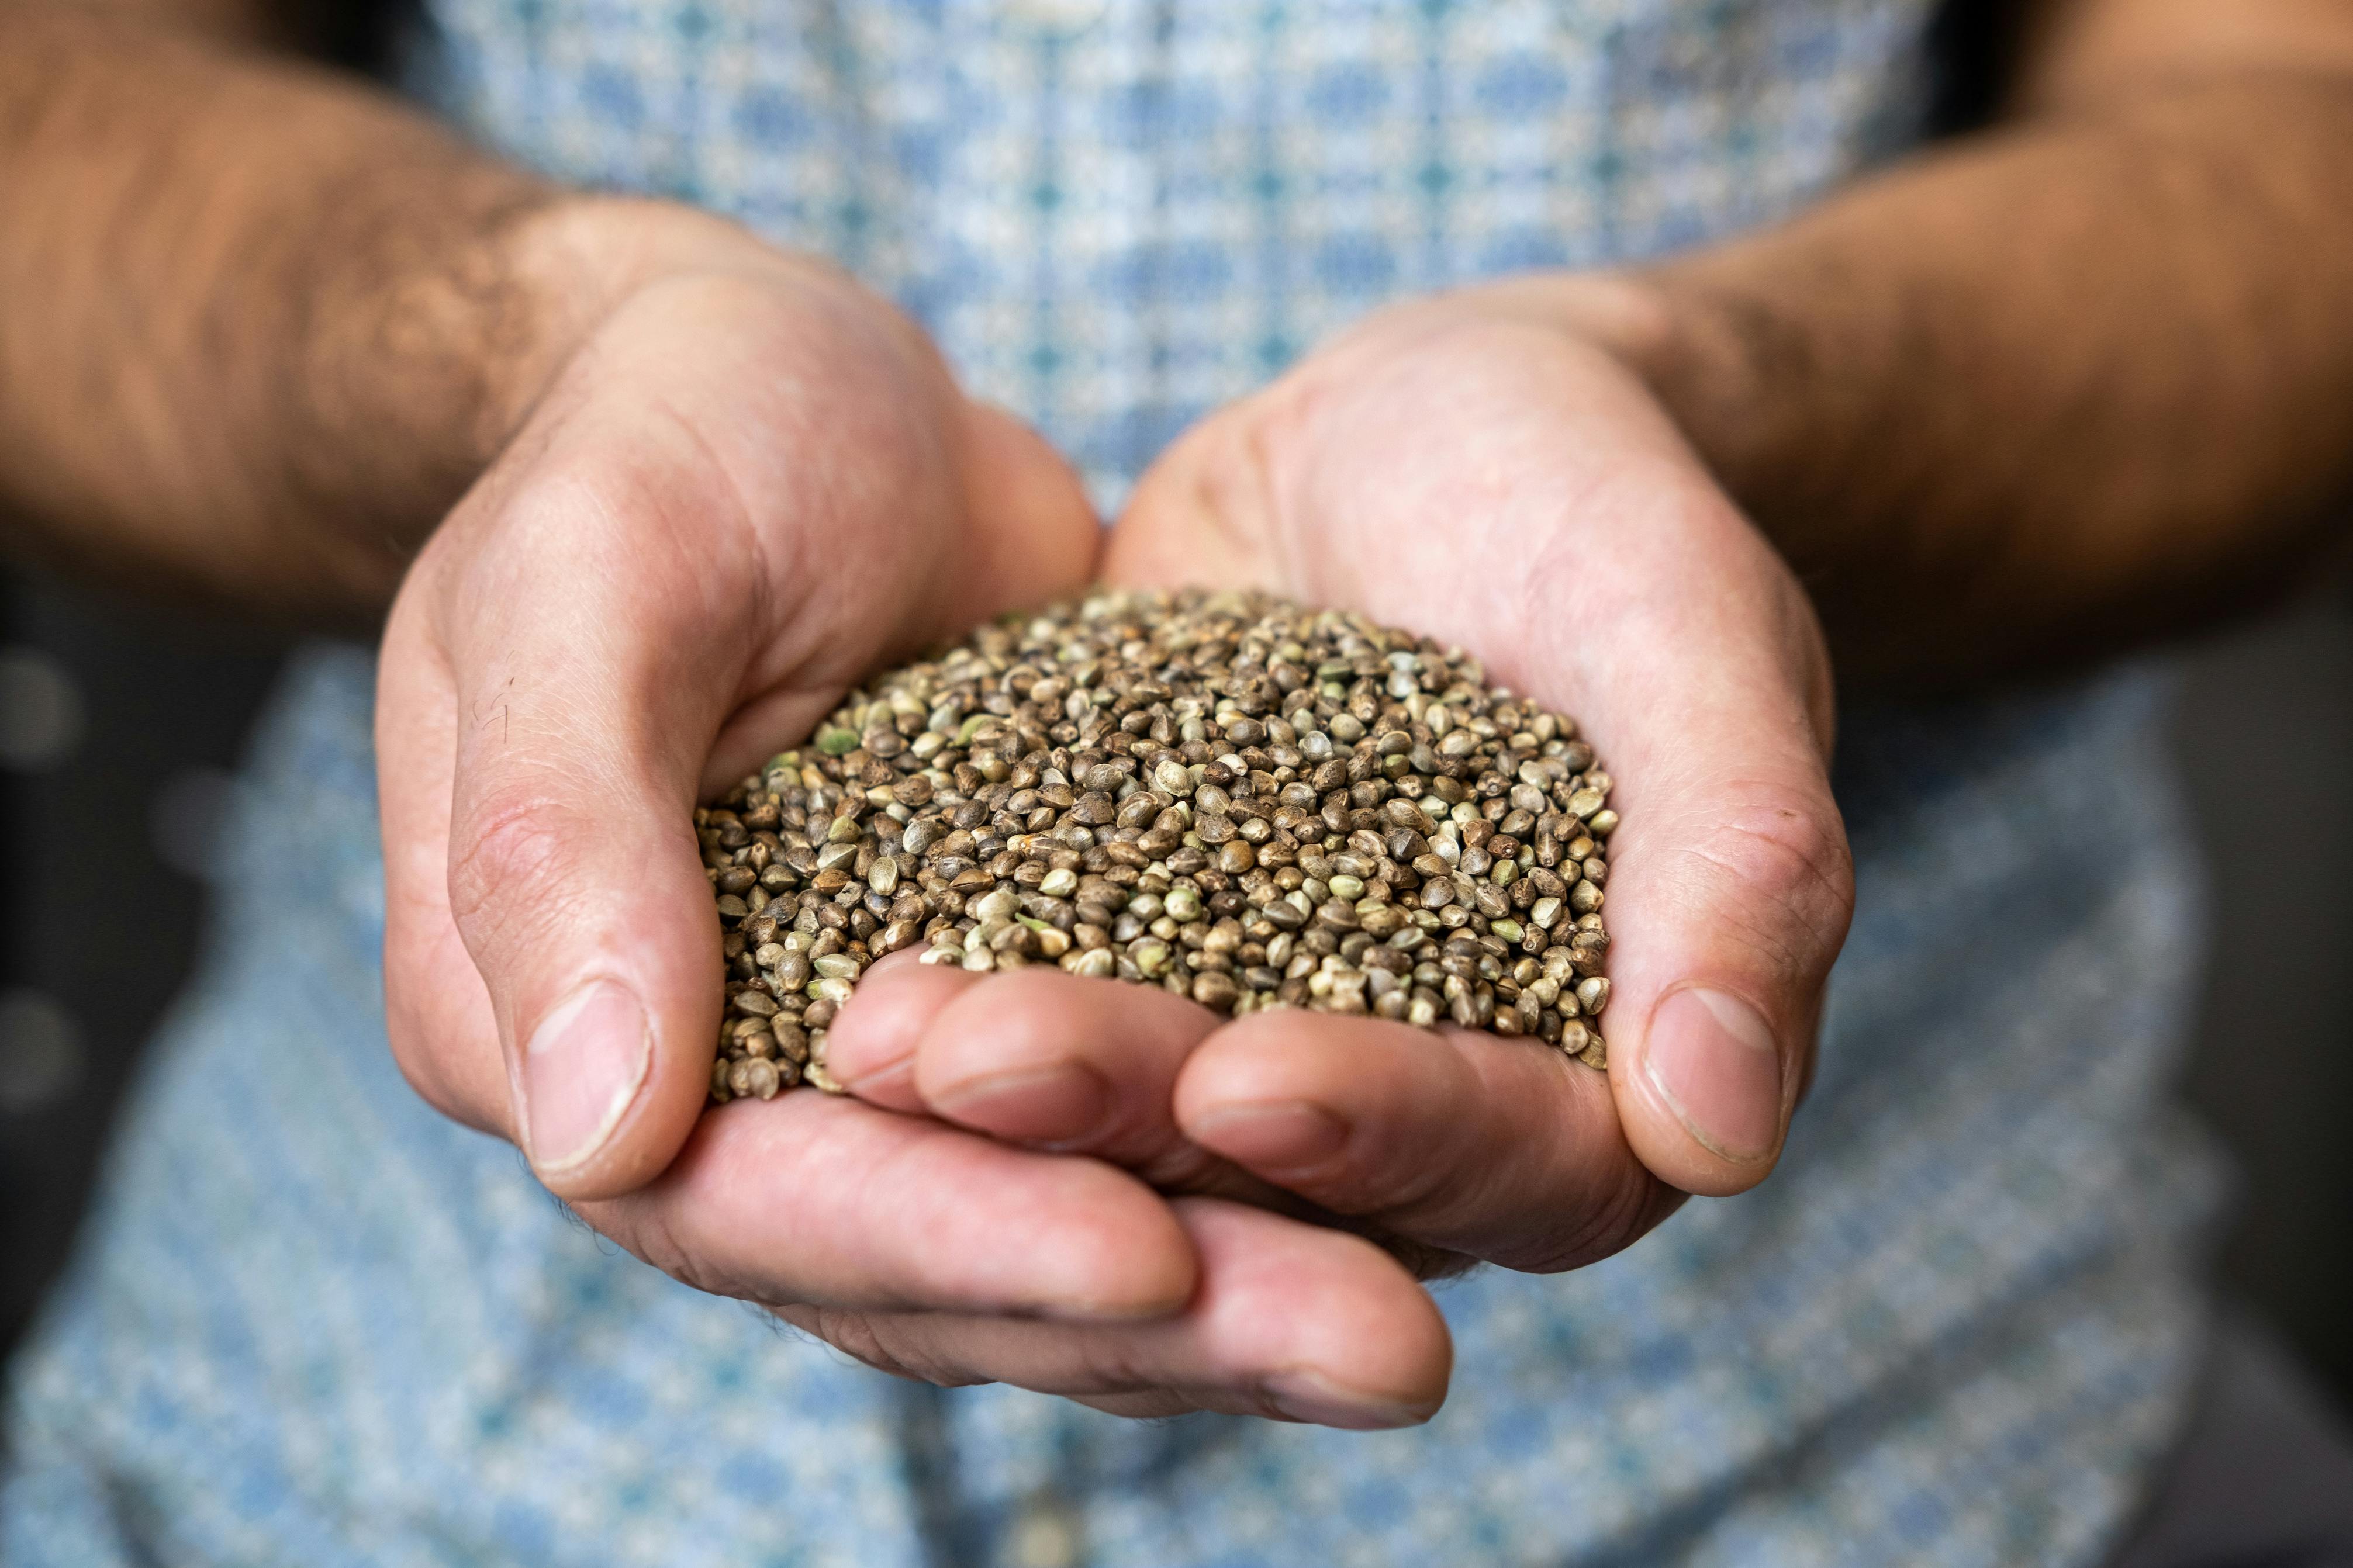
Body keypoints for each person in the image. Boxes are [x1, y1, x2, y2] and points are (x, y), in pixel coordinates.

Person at [3, 0, 2351, 1561]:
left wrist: (1697, 408)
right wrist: (536, 360)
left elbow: (2288, 129)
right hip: (347, 1421)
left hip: (1901, 1435)